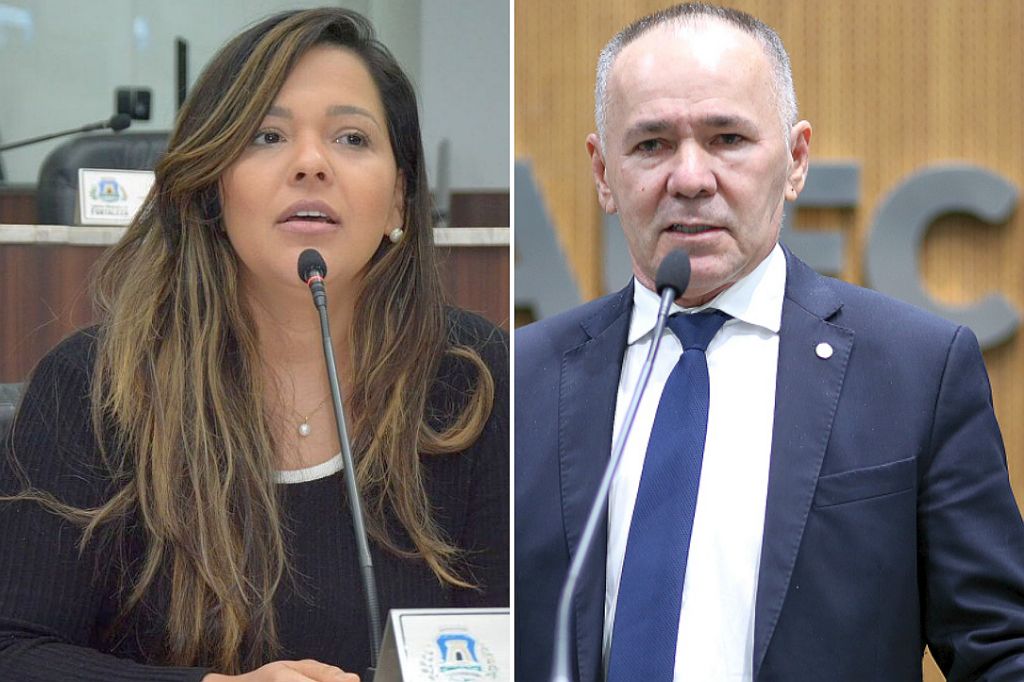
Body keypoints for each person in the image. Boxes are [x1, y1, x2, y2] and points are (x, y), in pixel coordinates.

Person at [515, 3, 1024, 681]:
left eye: (727, 138)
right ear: (604, 173)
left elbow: (1001, 648)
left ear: (795, 160)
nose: (690, 179)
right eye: (651, 145)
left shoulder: (916, 372)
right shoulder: (522, 378)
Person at [0, 8, 508, 682]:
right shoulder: (94, 387)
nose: (311, 164)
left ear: (398, 201)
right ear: (213, 186)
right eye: (267, 136)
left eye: (351, 138)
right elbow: (17, 654)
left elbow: (525, 638)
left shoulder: (474, 379)